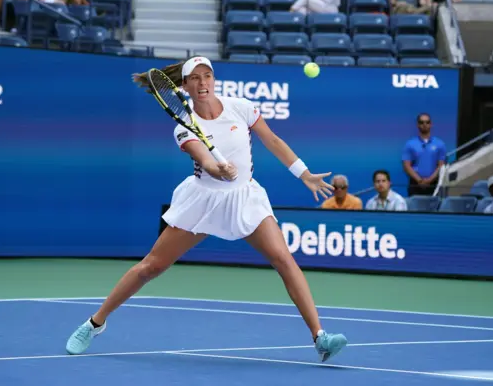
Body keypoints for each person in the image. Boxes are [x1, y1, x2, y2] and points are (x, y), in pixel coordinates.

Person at [64, 56, 348, 363]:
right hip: (204, 201)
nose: (203, 83)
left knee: (284, 260)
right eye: (195, 78)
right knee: (152, 267)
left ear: (214, 79)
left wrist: (303, 173)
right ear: (184, 86)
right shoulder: (185, 127)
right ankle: (95, 323)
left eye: (207, 76)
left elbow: (273, 140)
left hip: (245, 198)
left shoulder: (242, 107)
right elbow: (206, 159)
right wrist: (216, 168)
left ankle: (320, 337)